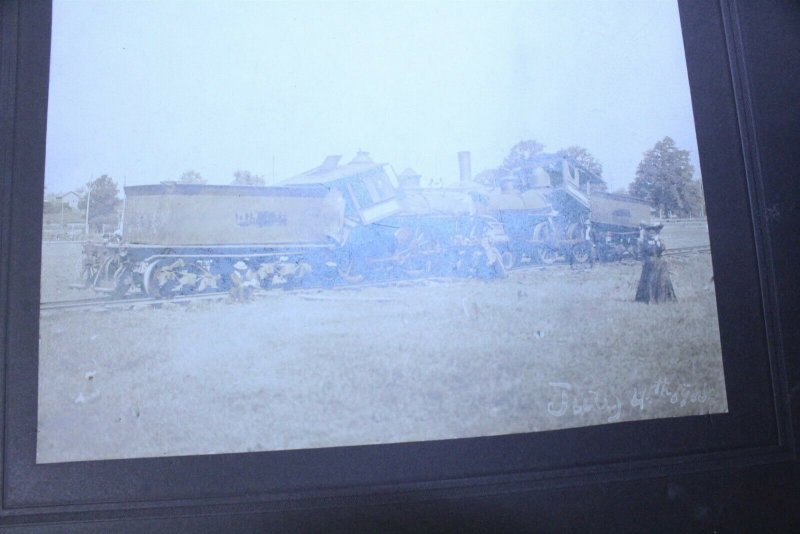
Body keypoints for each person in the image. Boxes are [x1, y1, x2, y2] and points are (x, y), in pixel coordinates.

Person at [635, 224, 676, 303]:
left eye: (654, 232)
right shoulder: (644, 241)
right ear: (647, 233)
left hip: (660, 264)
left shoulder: (659, 241)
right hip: (649, 264)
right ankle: (649, 299)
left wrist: (657, 241)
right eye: (650, 232)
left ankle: (662, 299)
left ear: (656, 233)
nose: (652, 233)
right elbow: (641, 252)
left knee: (663, 281)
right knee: (650, 281)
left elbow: (663, 249)